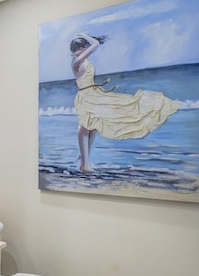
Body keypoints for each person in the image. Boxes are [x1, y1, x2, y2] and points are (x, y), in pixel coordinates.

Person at [70, 33, 180, 173]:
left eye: (85, 47)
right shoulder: (77, 61)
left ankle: (84, 159)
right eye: (83, 47)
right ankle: (85, 164)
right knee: (85, 127)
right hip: (86, 96)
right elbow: (96, 45)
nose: (86, 50)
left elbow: (93, 47)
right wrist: (85, 35)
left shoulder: (81, 60)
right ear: (77, 49)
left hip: (93, 94)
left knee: (93, 127)